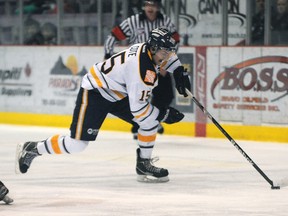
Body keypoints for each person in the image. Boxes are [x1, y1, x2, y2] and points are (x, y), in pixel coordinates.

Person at [16, 28, 191, 183]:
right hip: (96, 92)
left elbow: (167, 56)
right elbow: (138, 110)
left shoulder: (147, 49)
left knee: (149, 122)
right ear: (153, 48)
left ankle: (143, 165)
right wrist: (164, 115)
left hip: (118, 91)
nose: (167, 56)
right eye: (164, 53)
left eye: (169, 52)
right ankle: (32, 148)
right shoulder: (143, 71)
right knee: (76, 144)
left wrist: (178, 71)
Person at [104, 0, 181, 139]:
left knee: (167, 95)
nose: (150, 8)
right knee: (138, 98)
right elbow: (113, 36)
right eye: (147, 5)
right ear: (144, 6)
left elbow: (175, 41)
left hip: (159, 66)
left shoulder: (166, 22)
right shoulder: (133, 21)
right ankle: (139, 126)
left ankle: (154, 120)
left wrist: (167, 62)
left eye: (153, 5)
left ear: (158, 7)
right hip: (138, 68)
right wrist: (108, 55)